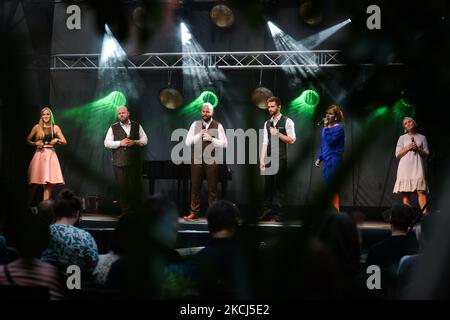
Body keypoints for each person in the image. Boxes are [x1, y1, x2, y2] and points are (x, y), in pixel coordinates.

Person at [184, 103, 228, 221]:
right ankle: (194, 213)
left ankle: (213, 214)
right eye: (203, 111)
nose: (205, 114)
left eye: (207, 111)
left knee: (212, 188)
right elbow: (188, 142)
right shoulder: (195, 125)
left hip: (212, 159)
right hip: (197, 159)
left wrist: (212, 139)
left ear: (212, 113)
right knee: (195, 187)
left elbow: (225, 144)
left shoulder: (218, 126)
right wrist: (199, 135)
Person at [41, 189, 99, 277]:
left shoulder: (42, 232)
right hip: (73, 286)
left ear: (55, 211)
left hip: (45, 284)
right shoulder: (85, 236)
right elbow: (93, 264)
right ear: (77, 213)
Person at [104, 106, 148, 214]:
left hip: (133, 162)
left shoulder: (136, 125)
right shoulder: (113, 127)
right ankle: (125, 211)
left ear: (128, 113)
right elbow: (106, 143)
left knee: (134, 187)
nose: (121, 115)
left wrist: (135, 142)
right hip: (119, 162)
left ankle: (135, 211)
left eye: (123, 113)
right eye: (119, 113)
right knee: (122, 188)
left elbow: (145, 140)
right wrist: (120, 143)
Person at [259, 96, 296, 221]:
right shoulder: (267, 123)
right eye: (269, 107)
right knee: (267, 186)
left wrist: (278, 134)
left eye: (272, 106)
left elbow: (292, 139)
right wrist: (262, 159)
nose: (270, 109)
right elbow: (265, 141)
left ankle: (281, 214)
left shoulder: (287, 121)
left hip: (280, 157)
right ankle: (267, 212)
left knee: (280, 187)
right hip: (269, 157)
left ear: (278, 107)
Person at [27, 106, 67, 203]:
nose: (46, 116)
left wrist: (57, 140)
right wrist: (35, 143)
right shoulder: (37, 127)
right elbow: (28, 140)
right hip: (39, 155)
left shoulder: (55, 127)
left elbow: (64, 141)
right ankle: (27, 207)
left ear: (51, 115)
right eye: (44, 114)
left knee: (48, 184)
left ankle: (45, 209)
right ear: (41, 116)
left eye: (48, 114)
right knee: (34, 183)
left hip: (50, 155)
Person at [393, 117, 429, 213]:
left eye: (410, 121)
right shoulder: (402, 138)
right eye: (406, 123)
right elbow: (397, 155)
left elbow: (426, 154)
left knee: (421, 191)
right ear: (405, 127)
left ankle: (425, 217)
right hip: (405, 168)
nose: (408, 123)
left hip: (417, 167)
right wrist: (408, 148)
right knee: (406, 195)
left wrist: (418, 148)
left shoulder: (422, 137)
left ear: (414, 122)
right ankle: (409, 217)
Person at [314, 105, 345, 211]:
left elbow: (331, 141)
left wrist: (326, 128)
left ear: (335, 117)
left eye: (330, 113)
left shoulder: (339, 128)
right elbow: (324, 145)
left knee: (333, 188)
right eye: (327, 113)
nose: (327, 115)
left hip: (335, 160)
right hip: (327, 160)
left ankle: (336, 211)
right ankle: (330, 211)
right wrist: (319, 158)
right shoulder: (324, 129)